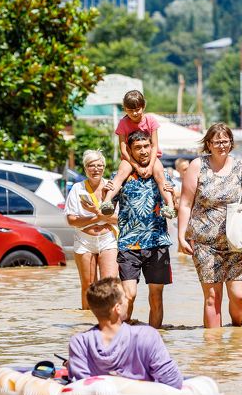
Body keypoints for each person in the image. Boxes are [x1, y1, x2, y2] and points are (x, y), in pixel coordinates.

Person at [177, 122, 242, 328]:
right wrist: (181, 236)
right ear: (208, 144)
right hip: (205, 243)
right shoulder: (197, 166)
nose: (221, 145)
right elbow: (185, 203)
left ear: (231, 143)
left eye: (225, 141)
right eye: (217, 142)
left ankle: (236, 332)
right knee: (212, 298)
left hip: (238, 241)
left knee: (240, 297)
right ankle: (214, 344)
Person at [107, 130, 174, 328]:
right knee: (129, 295)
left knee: (156, 297)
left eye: (146, 146)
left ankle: (154, 338)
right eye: (138, 148)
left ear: (152, 147)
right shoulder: (120, 175)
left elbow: (175, 207)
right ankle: (123, 336)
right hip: (129, 244)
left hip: (157, 242)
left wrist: (174, 200)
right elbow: (107, 206)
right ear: (130, 150)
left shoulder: (161, 173)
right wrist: (105, 196)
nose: (143, 151)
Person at [68, 277, 184, 388]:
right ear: (117, 308)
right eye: (124, 297)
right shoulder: (147, 336)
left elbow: (80, 387)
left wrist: (72, 365)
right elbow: (173, 382)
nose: (128, 300)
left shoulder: (79, 343)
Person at [100, 90, 176, 219]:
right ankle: (107, 201)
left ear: (143, 106)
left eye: (137, 109)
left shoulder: (150, 120)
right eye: (130, 110)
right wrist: (137, 167)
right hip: (129, 157)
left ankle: (170, 205)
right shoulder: (123, 123)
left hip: (151, 156)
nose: (134, 113)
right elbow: (123, 149)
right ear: (124, 109)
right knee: (120, 174)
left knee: (160, 175)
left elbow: (154, 145)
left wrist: (150, 166)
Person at [64, 150, 119, 310]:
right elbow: (71, 220)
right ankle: (86, 319)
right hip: (84, 240)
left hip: (108, 239)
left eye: (99, 165)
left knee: (109, 284)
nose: (95, 169)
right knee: (88, 286)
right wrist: (96, 218)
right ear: (85, 168)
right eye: (91, 165)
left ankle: (109, 319)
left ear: (104, 168)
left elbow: (119, 218)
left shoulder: (112, 187)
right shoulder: (77, 188)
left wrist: (96, 211)